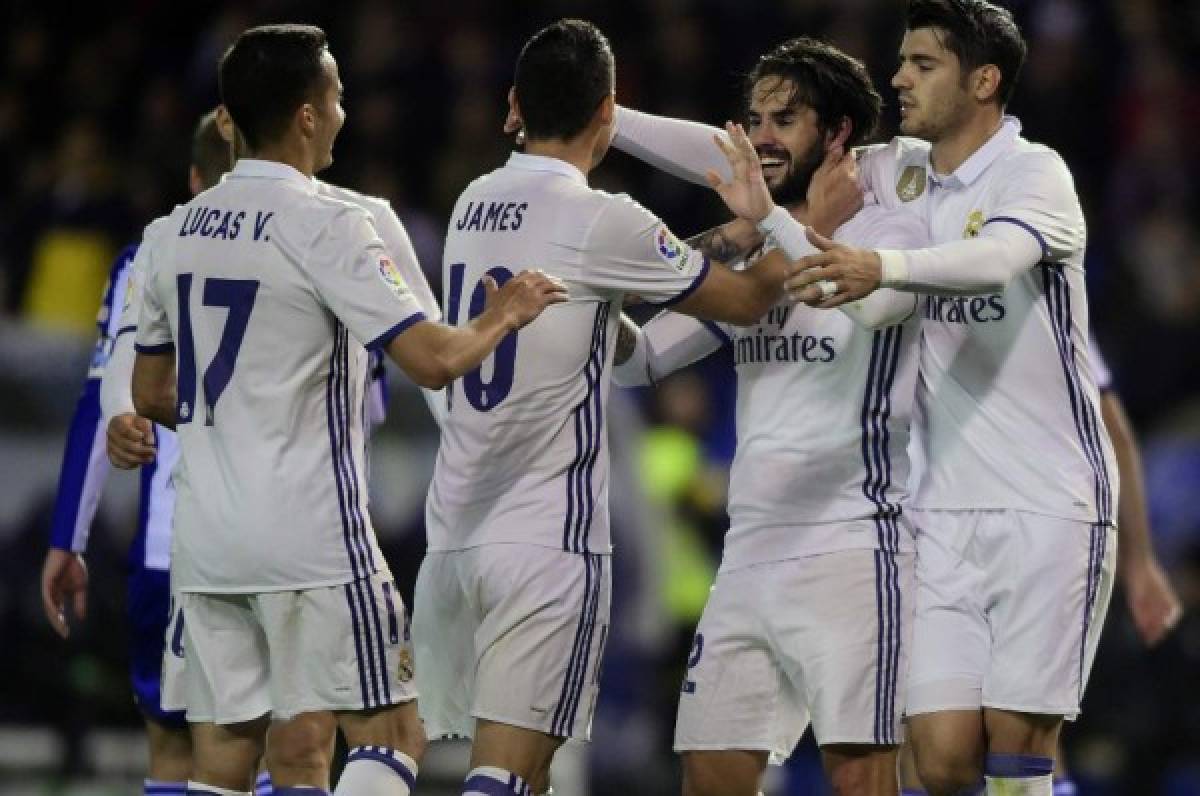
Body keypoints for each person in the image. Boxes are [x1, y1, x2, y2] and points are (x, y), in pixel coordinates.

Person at [128, 24, 566, 796]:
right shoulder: (328, 224)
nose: (342, 111)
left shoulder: (168, 235)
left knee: (227, 754)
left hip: (207, 540)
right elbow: (432, 360)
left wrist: (232, 419)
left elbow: (151, 395)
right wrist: (506, 312)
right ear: (305, 113)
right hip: (312, 535)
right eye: (335, 94)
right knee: (396, 729)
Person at [414, 19, 796, 796]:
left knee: (517, 771)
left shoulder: (471, 202)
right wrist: (804, 227)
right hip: (545, 542)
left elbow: (596, 280)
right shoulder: (602, 217)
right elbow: (750, 301)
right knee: (509, 777)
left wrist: (713, 239)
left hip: (455, 533)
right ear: (608, 115)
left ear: (513, 104)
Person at [779, 3, 1118, 794]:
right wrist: (609, 119)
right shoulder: (909, 179)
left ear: (984, 80)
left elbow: (995, 259)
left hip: (1049, 505)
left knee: (1016, 744)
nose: (898, 78)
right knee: (940, 759)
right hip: (943, 512)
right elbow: (876, 296)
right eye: (902, 62)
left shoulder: (1034, 173)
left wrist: (884, 268)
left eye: (923, 64)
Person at [611, 38, 929, 796]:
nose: (761, 137)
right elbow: (641, 361)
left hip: (856, 548)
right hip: (749, 554)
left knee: (861, 780)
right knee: (711, 777)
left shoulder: (894, 229)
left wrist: (772, 225)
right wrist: (595, 298)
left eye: (785, 119)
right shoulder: (759, 262)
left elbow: (854, 302)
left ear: (841, 133)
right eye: (755, 118)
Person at [39, 109, 241, 796]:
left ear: (193, 178)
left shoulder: (147, 256)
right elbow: (371, 404)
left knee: (173, 754)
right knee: (278, 753)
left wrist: (69, 536)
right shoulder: (314, 240)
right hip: (278, 543)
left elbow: (103, 403)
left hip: (169, 549)